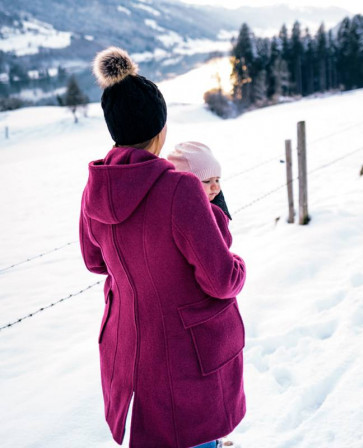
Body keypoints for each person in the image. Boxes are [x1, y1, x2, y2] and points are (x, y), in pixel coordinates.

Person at [79, 47, 246, 448]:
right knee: (193, 438)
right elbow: (222, 279)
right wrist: (220, 224)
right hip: (185, 357)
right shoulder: (180, 188)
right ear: (161, 130)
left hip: (129, 350)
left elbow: (93, 260)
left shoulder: (95, 186)